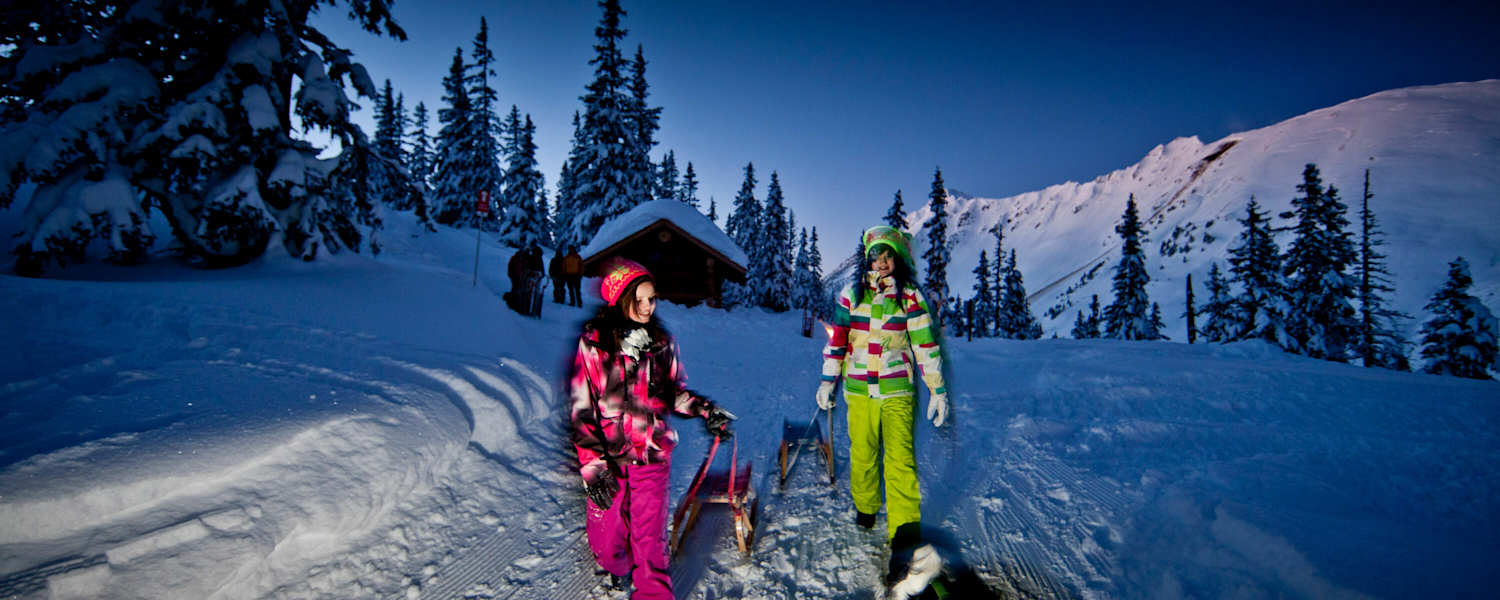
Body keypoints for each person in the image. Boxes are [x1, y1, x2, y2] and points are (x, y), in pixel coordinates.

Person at [569, 257, 735, 598]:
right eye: (639, 300)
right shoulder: (594, 344)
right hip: (609, 457)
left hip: (652, 454)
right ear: (619, 300)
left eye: (652, 298)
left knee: (650, 540)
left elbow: (675, 394)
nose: (647, 308)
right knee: (606, 534)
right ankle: (616, 565)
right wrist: (591, 463)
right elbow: (581, 408)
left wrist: (706, 410)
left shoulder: (661, 343)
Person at [816, 225, 949, 586]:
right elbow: (838, 342)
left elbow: (924, 344)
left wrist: (936, 389)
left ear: (898, 257)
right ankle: (866, 505)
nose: (882, 261)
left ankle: (904, 543)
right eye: (876, 255)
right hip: (858, 390)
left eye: (888, 254)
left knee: (901, 461)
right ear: (868, 257)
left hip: (896, 391)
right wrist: (829, 380)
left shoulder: (909, 297)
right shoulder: (850, 295)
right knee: (863, 451)